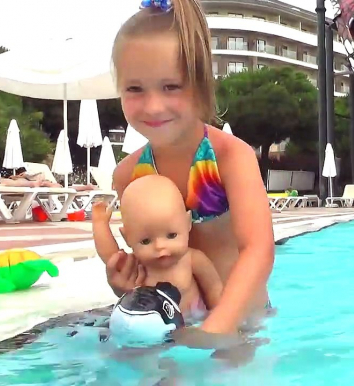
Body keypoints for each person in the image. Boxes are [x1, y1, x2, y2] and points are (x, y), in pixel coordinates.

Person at [99, 0, 274, 340]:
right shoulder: (128, 175)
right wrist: (122, 283)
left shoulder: (229, 156)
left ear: (201, 83)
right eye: (135, 89)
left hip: (242, 323)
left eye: (171, 86)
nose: (153, 106)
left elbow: (259, 250)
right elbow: (149, 261)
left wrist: (218, 327)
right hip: (172, 325)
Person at [93, 175, 223, 320]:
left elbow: (214, 289)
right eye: (146, 241)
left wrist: (219, 318)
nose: (160, 246)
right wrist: (100, 224)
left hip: (192, 325)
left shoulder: (192, 259)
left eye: (171, 235)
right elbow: (112, 258)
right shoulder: (139, 265)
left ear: (187, 223)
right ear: (127, 238)